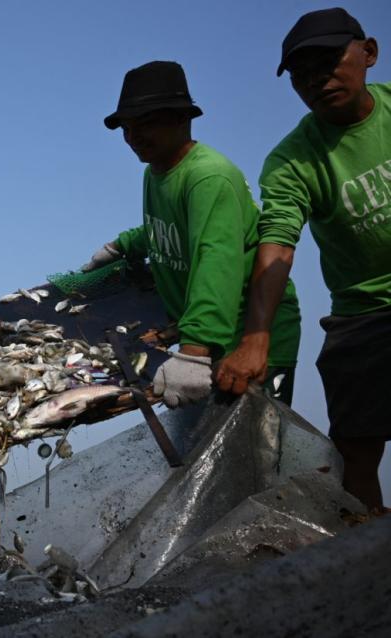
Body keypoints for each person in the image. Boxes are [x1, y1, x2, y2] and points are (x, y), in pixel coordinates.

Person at [216, 8, 389, 513]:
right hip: (363, 313)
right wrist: (255, 338)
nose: (318, 78)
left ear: (369, 54)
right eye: (301, 73)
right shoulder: (292, 159)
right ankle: (371, 563)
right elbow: (278, 241)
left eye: (331, 60)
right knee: (355, 449)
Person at [84, 61, 302, 409]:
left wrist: (193, 352)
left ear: (183, 119)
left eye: (147, 123)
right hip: (206, 340)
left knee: (255, 455)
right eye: (127, 127)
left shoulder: (208, 177)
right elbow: (167, 225)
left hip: (249, 340)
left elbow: (217, 260)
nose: (134, 136)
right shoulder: (156, 171)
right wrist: (121, 246)